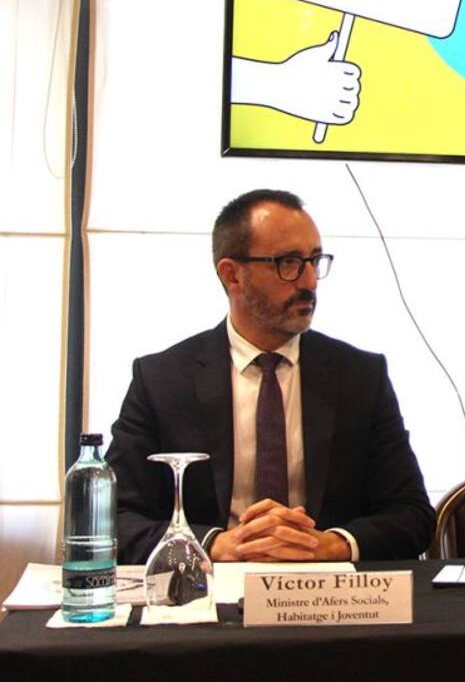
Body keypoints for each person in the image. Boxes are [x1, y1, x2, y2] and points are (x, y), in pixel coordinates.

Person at [107, 189, 434, 564]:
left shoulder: (360, 377)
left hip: (328, 590)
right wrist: (215, 545)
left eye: (315, 260)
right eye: (288, 262)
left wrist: (330, 545)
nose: (309, 281)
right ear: (232, 275)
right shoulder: (162, 380)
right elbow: (114, 518)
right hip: (211, 586)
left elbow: (412, 515)